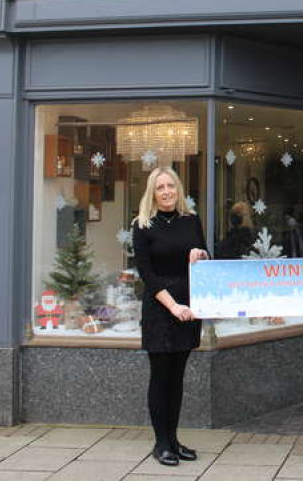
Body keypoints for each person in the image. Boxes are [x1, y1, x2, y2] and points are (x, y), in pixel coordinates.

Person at [132, 166, 209, 467]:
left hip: (189, 306)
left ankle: (174, 441)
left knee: (177, 377)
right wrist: (172, 305)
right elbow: (147, 275)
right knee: (161, 375)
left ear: (178, 189)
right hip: (162, 307)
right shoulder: (142, 224)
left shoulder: (191, 220)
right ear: (152, 192)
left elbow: (204, 256)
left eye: (171, 186)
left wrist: (201, 256)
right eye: (160, 187)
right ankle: (161, 443)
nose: (166, 192)